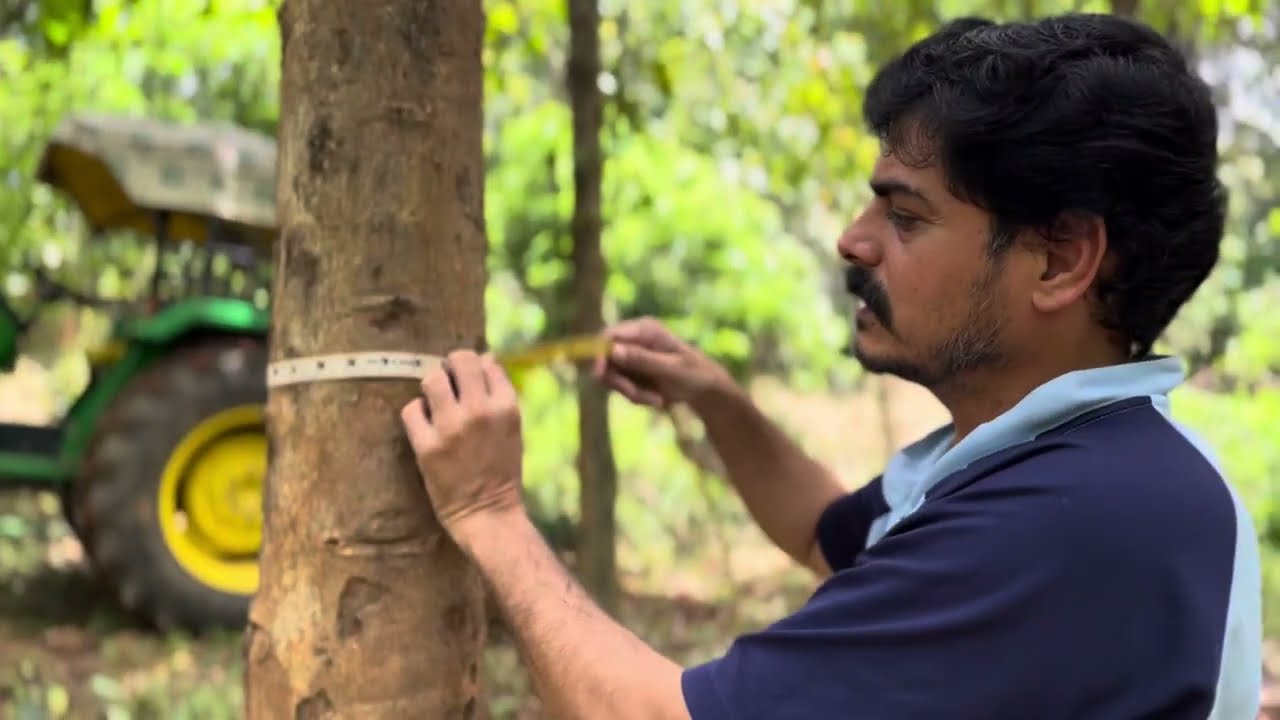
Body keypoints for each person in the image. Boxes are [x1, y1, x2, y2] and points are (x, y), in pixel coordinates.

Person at [399, 12, 1262, 720]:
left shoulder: (1075, 522)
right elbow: (830, 535)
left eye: (907, 217)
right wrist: (719, 402)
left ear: (1062, 260)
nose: (853, 239)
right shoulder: (1068, 461)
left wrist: (489, 510)